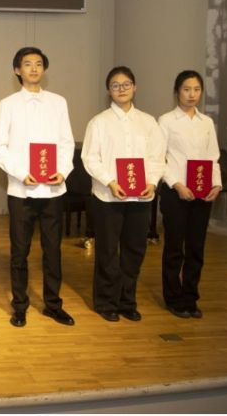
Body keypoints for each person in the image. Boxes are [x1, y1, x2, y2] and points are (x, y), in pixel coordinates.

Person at [0, 47, 76, 328]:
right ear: (17, 70)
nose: (34, 68)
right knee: (20, 252)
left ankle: (53, 305)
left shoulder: (58, 102)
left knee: (53, 251)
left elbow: (66, 142)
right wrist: (21, 174)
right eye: (27, 64)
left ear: (44, 69)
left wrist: (62, 171)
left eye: (39, 64)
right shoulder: (7, 104)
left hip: (53, 190)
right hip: (21, 190)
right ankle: (20, 306)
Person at [82, 66, 165, 322]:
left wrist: (152, 182)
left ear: (135, 87)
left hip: (140, 197)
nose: (121, 89)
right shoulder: (99, 122)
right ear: (109, 90)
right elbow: (89, 158)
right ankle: (106, 302)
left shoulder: (148, 122)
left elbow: (157, 157)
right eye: (115, 85)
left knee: (134, 251)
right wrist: (110, 181)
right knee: (107, 252)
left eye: (126, 84)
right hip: (108, 197)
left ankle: (127, 301)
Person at [158, 70, 222, 319]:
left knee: (196, 247)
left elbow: (213, 156)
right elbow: (159, 158)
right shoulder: (166, 121)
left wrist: (216, 184)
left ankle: (190, 298)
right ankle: (173, 298)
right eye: (186, 89)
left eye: (196, 89)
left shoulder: (206, 122)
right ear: (177, 92)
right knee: (175, 247)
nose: (192, 94)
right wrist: (177, 184)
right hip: (176, 192)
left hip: (202, 193)